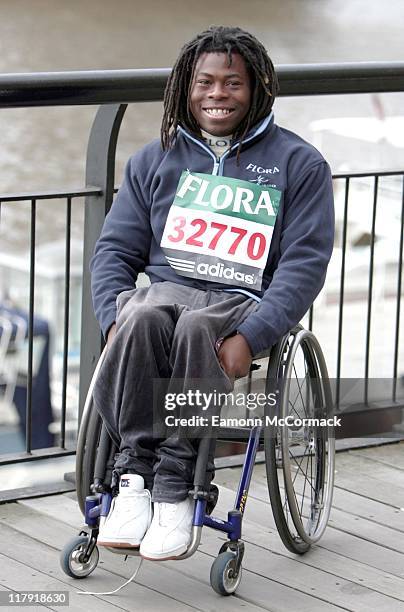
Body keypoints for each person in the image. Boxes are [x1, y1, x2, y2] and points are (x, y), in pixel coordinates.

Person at [90, 25, 334, 561]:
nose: (217, 95)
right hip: (169, 291)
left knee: (198, 326)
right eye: (205, 83)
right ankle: (133, 473)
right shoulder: (154, 160)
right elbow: (113, 253)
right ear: (185, 87)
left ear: (258, 90)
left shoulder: (300, 164)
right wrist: (111, 319)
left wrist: (253, 335)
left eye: (233, 84)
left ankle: (175, 482)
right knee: (142, 316)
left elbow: (304, 264)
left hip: (240, 299)